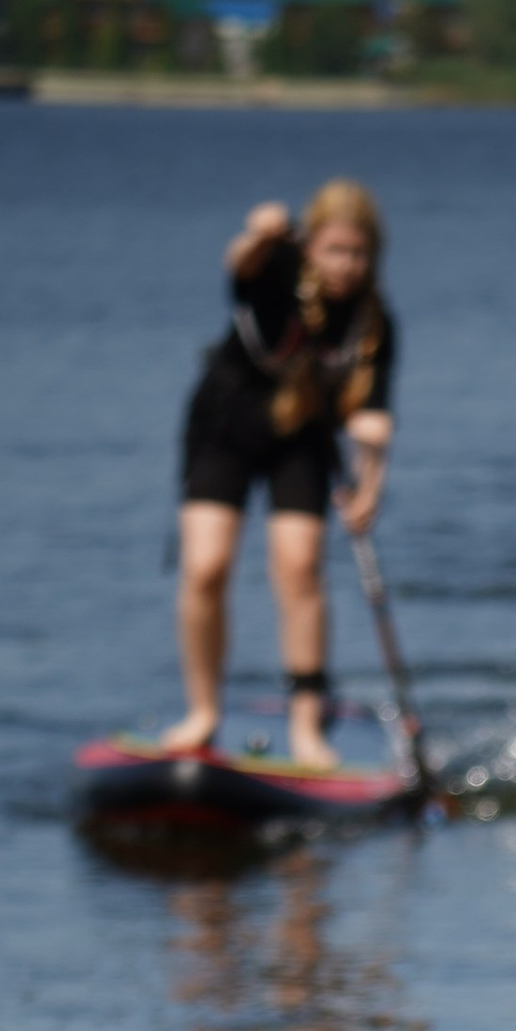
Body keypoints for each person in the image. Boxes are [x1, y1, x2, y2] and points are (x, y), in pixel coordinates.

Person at [168, 181, 396, 771]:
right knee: (206, 566)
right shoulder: (277, 271)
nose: (345, 265)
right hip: (225, 424)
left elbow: (373, 416)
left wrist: (371, 481)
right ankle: (201, 713)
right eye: (334, 250)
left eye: (357, 253)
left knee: (299, 569)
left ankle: (306, 725)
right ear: (311, 246)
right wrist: (259, 233)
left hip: (304, 438)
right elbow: (237, 267)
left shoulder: (374, 321)